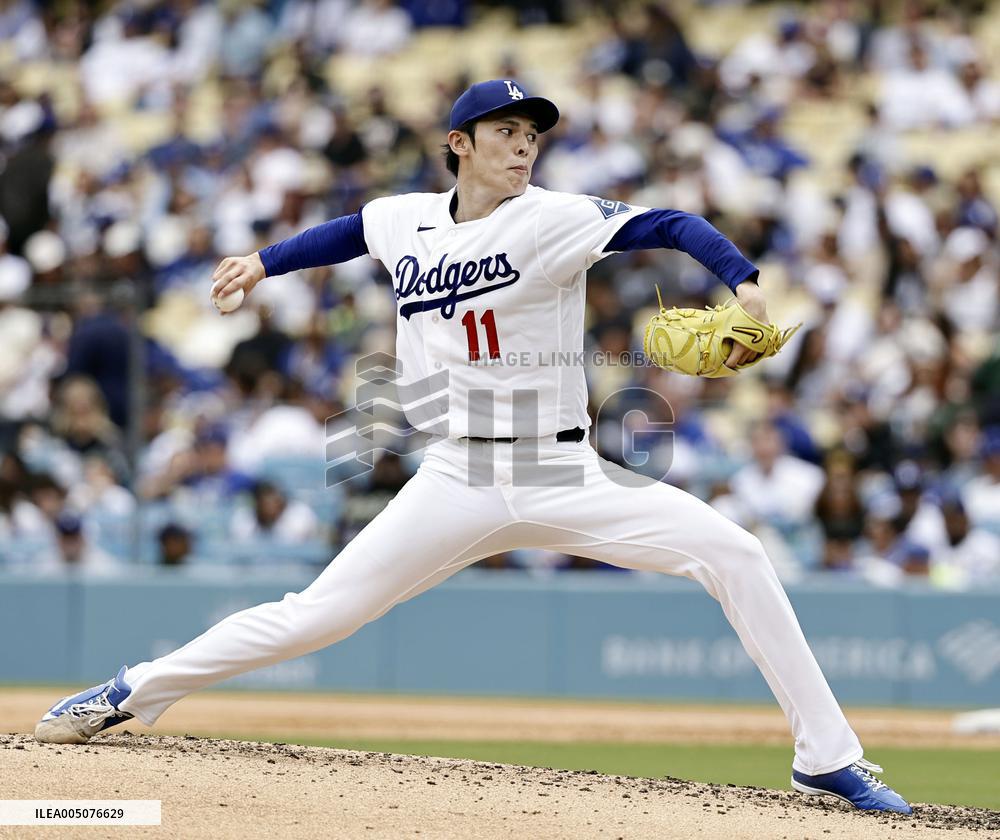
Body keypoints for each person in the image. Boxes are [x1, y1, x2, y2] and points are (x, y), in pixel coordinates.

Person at [34, 79, 910, 814]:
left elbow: (672, 224)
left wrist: (746, 286)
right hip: (457, 472)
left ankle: (823, 755)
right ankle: (128, 692)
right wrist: (264, 262)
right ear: (460, 142)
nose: (523, 146)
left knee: (737, 553)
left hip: (562, 466)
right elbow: (347, 233)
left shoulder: (552, 218)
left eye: (531, 134)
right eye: (505, 132)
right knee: (319, 614)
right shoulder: (405, 218)